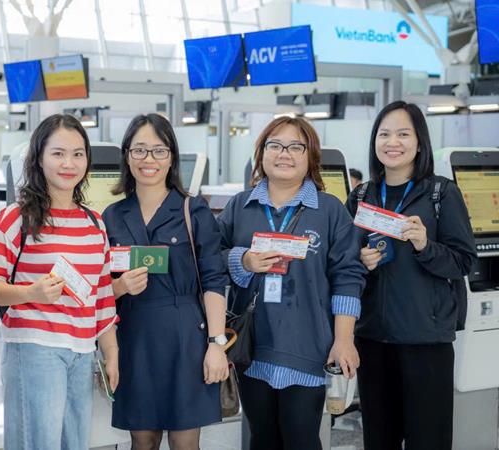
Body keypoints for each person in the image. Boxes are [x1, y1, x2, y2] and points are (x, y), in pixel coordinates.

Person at [217, 116, 366, 450]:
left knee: (302, 439)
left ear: (310, 157)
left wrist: (344, 340)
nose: (284, 153)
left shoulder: (329, 210)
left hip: (307, 346)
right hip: (252, 347)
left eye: (295, 146)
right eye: (275, 145)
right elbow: (212, 260)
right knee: (262, 439)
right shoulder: (240, 206)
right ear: (261, 154)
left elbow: (347, 277)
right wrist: (244, 260)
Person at [345, 101, 477, 450]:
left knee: (428, 441)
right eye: (384, 134)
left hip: (426, 343)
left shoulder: (440, 194)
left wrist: (424, 246)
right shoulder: (361, 196)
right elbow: (341, 264)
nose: (393, 142)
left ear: (420, 143)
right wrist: (361, 261)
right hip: (372, 340)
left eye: (403, 134)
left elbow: (463, 261)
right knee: (378, 440)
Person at [0, 114, 119, 450]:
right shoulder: (17, 218)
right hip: (35, 348)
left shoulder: (94, 223)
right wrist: (31, 292)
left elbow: (102, 296)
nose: (68, 163)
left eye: (77, 154)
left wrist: (111, 352)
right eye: (58, 153)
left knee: (74, 444)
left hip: (82, 351)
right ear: (39, 158)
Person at [102, 113, 229, 450]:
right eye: (139, 150)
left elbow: (213, 281)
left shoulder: (193, 211)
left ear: (171, 157)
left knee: (185, 442)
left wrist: (216, 344)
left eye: (159, 150)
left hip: (186, 336)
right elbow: (99, 288)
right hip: (133, 338)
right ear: (127, 156)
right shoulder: (112, 216)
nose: (149, 160)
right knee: (142, 440)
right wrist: (120, 287)